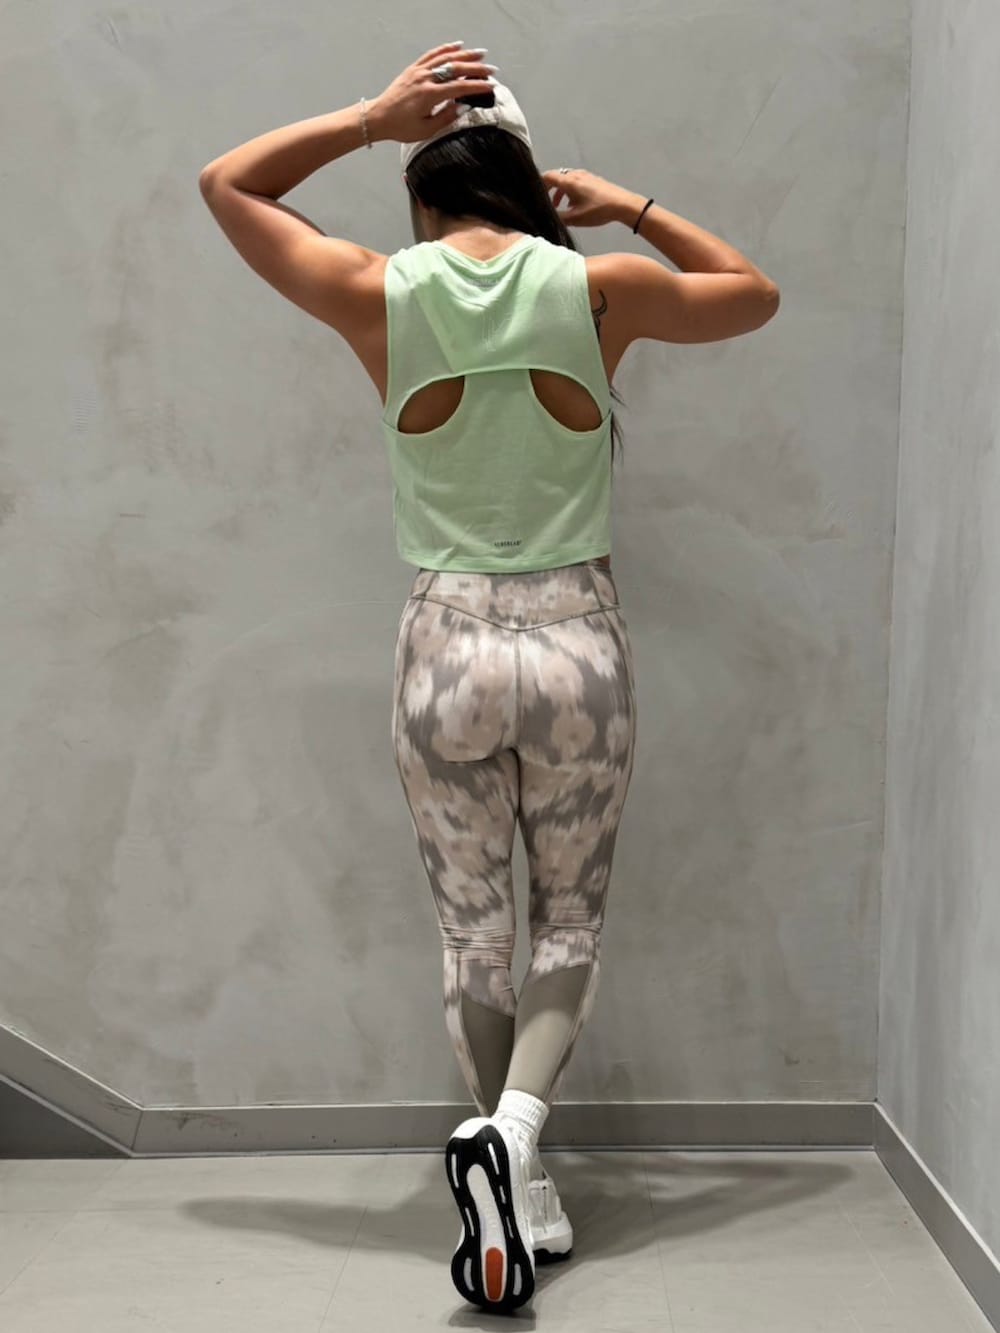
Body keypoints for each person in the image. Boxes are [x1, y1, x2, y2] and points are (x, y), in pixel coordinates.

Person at [199, 40, 780, 1315]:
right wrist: (626, 205)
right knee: (567, 921)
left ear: (423, 191)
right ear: (524, 184)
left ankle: (511, 1165)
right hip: (578, 645)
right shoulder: (597, 290)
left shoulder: (376, 290)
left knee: (475, 934)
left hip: (443, 647)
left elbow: (227, 184)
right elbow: (752, 293)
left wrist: (369, 117)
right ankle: (516, 1146)